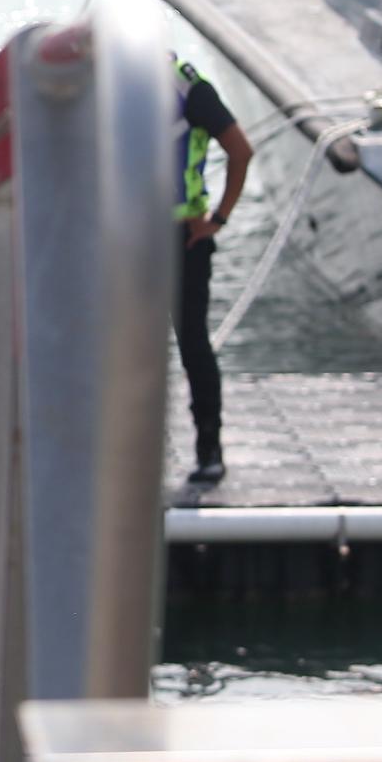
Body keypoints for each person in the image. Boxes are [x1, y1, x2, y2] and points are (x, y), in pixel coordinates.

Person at [172, 55, 251, 487]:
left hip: (182, 238)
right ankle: (206, 453)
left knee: (193, 347)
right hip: (134, 236)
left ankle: (209, 449)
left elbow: (240, 151)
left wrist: (217, 219)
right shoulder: (109, 85)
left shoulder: (189, 89)